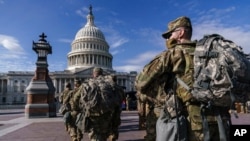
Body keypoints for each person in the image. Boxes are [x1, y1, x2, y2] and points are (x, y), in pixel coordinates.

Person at [136, 16, 230, 141]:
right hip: (220, 119)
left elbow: (140, 82)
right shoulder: (212, 54)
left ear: (180, 33)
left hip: (193, 122)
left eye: (170, 34)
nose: (168, 38)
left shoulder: (174, 54)